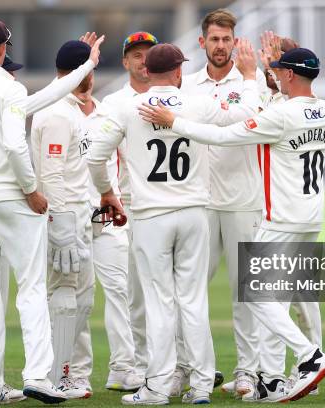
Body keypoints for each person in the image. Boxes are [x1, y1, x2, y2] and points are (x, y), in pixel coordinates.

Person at [138, 47, 325, 403]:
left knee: (255, 293)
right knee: (274, 298)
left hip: (282, 217)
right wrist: (266, 85)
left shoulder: (280, 115)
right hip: (312, 216)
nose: (273, 74)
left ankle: (310, 355)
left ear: (289, 75)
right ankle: (274, 379)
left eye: (278, 71)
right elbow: (284, 109)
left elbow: (223, 136)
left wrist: (174, 122)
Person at [88, 41, 262, 405]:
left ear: (147, 72)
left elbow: (95, 157)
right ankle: (200, 385)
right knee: (193, 300)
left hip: (151, 215)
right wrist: (248, 76)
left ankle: (157, 386)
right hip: (196, 212)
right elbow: (246, 112)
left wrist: (107, 192)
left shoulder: (127, 106)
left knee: (159, 302)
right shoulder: (197, 103)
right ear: (180, 72)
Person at [0, 33, 103, 403]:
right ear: (3, 51)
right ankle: (38, 376)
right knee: (30, 290)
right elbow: (15, 144)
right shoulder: (9, 90)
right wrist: (30, 190)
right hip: (12, 199)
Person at [174, 9, 268, 398]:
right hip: (199, 200)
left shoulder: (252, 80)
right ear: (202, 42)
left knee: (245, 289)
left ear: (235, 41)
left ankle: (247, 370)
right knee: (189, 288)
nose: (220, 46)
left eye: (227, 39)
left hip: (243, 198)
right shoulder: (188, 85)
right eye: (214, 39)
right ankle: (188, 368)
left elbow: (254, 124)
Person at [31, 39, 107, 399]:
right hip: (65, 215)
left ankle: (65, 374)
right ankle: (53, 376)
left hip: (80, 214)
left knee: (83, 298)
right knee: (63, 294)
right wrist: (61, 225)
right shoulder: (58, 113)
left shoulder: (68, 107)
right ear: (84, 72)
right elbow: (53, 174)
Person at [100, 31, 160, 381]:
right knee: (134, 294)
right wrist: (108, 195)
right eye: (136, 55)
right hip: (130, 208)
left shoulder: (172, 98)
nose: (143, 60)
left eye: (149, 54)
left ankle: (175, 363)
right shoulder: (114, 103)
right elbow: (101, 155)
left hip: (167, 206)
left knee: (171, 292)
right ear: (125, 62)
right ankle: (135, 365)